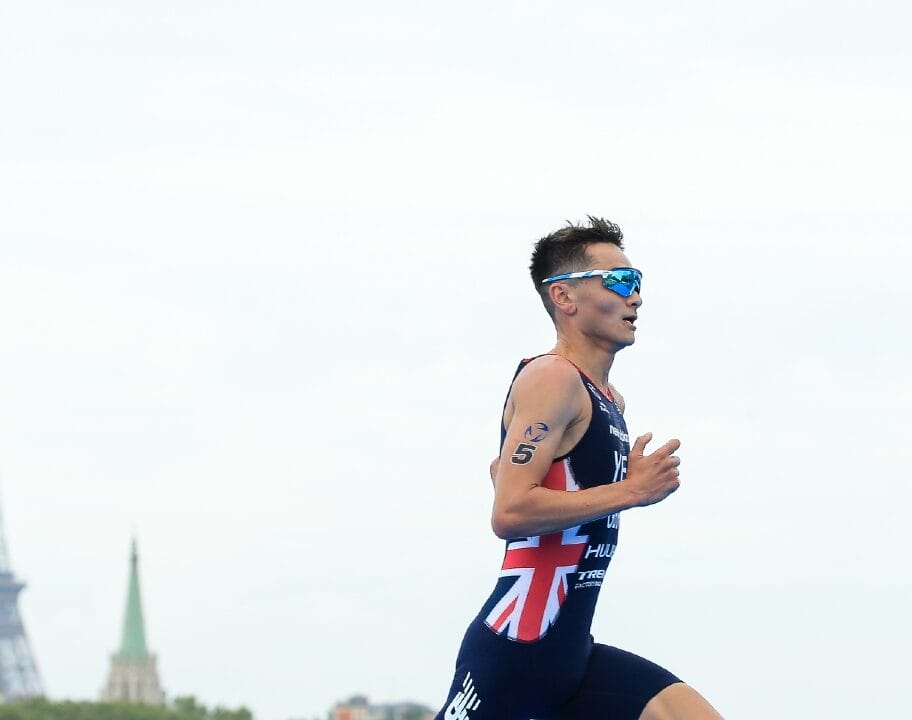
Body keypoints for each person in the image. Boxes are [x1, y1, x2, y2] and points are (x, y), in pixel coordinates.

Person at [434, 217, 724, 720]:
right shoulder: (552, 378)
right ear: (564, 297)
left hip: (571, 656)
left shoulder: (608, 399)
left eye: (638, 282)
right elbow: (510, 510)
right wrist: (631, 491)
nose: (636, 298)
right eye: (619, 281)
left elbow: (502, 474)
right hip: (515, 655)